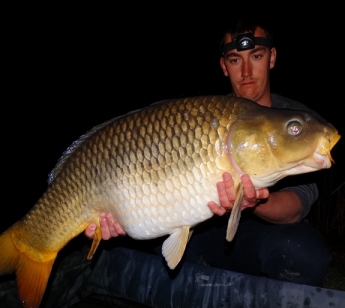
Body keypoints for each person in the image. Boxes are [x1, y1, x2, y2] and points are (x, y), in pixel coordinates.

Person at [84, 21, 332, 286]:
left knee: (305, 253)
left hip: (261, 236)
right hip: (204, 232)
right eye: (236, 60)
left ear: (272, 58)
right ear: (224, 66)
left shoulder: (294, 120)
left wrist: (254, 201)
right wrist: (118, 213)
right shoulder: (200, 118)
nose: (247, 71)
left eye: (256, 57)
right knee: (143, 246)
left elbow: (296, 207)